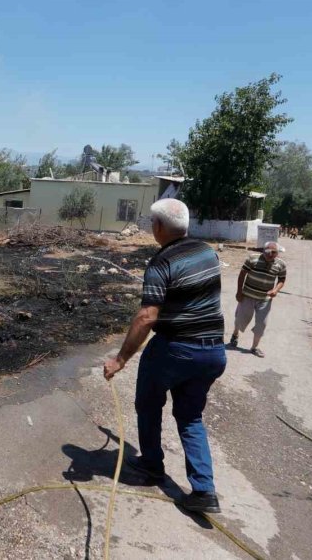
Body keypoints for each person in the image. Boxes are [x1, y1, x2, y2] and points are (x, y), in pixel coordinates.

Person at [103, 198, 226, 514]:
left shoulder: (161, 262)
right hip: (213, 351)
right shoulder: (207, 252)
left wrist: (120, 359)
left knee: (148, 403)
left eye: (151, 223)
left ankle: (152, 466)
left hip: (176, 348)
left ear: (158, 227)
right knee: (190, 416)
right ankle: (203, 490)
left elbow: (147, 316)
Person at [227, 241, 286, 358]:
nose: (270, 255)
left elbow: (281, 279)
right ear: (263, 251)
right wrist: (239, 292)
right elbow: (242, 274)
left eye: (274, 252)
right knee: (240, 319)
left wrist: (276, 290)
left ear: (277, 253)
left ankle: (254, 347)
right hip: (248, 295)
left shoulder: (281, 264)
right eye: (268, 252)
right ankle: (235, 334)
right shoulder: (252, 259)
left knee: (261, 324)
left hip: (265, 299)